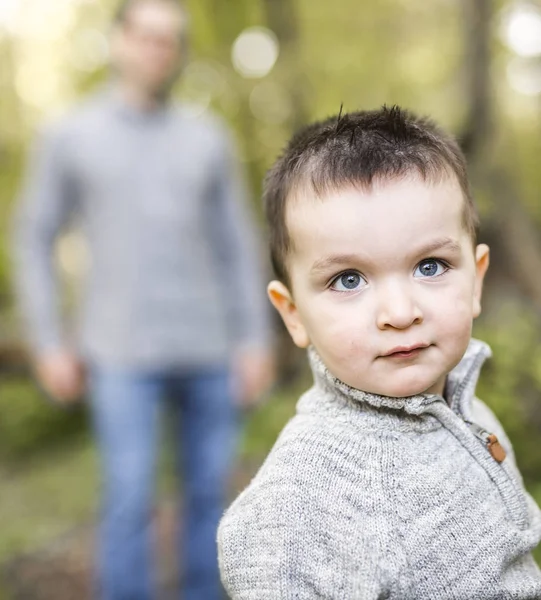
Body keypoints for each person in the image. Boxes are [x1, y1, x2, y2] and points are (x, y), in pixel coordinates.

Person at [217, 106, 541, 599]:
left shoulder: (470, 415)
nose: (399, 311)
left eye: (430, 266)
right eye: (348, 280)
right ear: (294, 315)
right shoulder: (300, 502)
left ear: (477, 279)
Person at [12, 0, 274, 598]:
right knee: (129, 500)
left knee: (210, 500)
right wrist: (49, 341)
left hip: (209, 349)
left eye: (171, 39)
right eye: (148, 36)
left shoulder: (208, 139)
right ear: (119, 42)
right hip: (119, 352)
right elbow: (34, 237)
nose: (160, 49)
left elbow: (239, 246)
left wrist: (254, 342)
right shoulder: (69, 135)